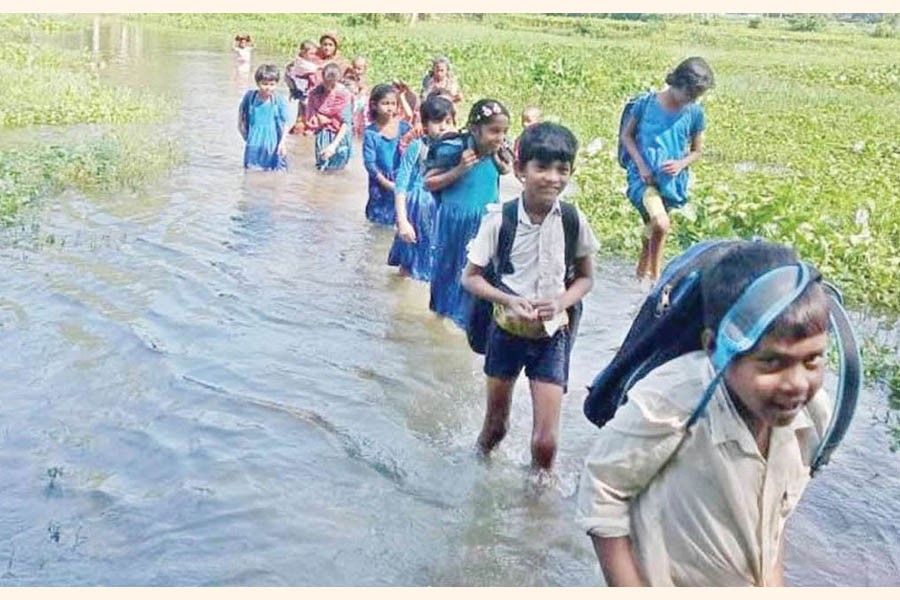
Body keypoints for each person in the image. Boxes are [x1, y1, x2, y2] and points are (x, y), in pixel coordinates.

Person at [576, 241, 834, 586]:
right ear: (715, 347)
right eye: (772, 362)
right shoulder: (672, 401)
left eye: (812, 360)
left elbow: (773, 521)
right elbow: (601, 491)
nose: (797, 384)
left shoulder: (814, 417)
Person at [461, 122, 599, 471]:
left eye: (562, 169)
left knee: (546, 443)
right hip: (506, 332)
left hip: (553, 335)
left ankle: (535, 510)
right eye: (542, 168)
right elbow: (471, 279)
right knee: (495, 429)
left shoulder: (572, 219)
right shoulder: (500, 221)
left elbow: (585, 279)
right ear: (521, 170)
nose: (552, 178)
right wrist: (508, 300)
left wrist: (561, 303)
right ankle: (477, 475)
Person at [620, 56, 714, 285]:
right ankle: (657, 281)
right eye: (689, 95)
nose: (691, 100)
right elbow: (627, 136)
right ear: (677, 82)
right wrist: (641, 166)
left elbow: (697, 151)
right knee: (661, 224)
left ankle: (639, 280)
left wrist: (681, 164)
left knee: (651, 231)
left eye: (696, 97)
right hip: (642, 178)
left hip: (671, 182)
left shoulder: (694, 113)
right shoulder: (646, 104)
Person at [425, 98, 513, 328]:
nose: (500, 137)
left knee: (479, 275)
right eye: (494, 131)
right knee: (449, 271)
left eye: (504, 131)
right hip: (455, 223)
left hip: (486, 222)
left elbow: (508, 172)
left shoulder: (500, 151)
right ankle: (440, 325)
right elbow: (429, 183)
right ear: (474, 129)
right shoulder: (454, 149)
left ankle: (468, 325)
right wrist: (460, 169)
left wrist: (503, 165)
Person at [387, 95, 457, 280]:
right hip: (416, 211)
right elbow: (401, 185)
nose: (443, 127)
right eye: (437, 121)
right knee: (408, 265)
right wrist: (402, 221)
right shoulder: (418, 147)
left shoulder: (456, 150)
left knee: (436, 265)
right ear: (425, 125)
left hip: (441, 214)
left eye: (448, 121)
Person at [363, 83, 412, 225]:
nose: (390, 108)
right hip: (379, 182)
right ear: (374, 105)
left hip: (400, 178)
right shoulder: (371, 133)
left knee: (400, 217)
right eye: (385, 103)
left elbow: (410, 117)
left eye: (393, 104)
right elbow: (370, 164)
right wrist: (387, 183)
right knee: (378, 220)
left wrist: (402, 96)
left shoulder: (402, 127)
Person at [238, 64, 288, 171]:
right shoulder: (250, 97)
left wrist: (282, 143)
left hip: (272, 144)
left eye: (272, 84)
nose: (268, 88)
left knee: (273, 172)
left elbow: (284, 123)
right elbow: (242, 115)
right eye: (264, 84)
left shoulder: (278, 100)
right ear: (257, 83)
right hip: (254, 143)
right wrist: (243, 134)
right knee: (251, 171)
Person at [305, 62, 353, 171]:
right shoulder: (315, 93)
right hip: (323, 134)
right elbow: (310, 113)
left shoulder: (344, 95)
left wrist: (333, 146)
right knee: (321, 167)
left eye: (332, 84)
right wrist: (318, 117)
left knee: (338, 169)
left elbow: (346, 123)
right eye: (326, 83)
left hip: (340, 136)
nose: (329, 88)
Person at [285, 40, 322, 135]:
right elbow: (316, 68)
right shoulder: (302, 64)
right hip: (303, 93)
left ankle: (301, 132)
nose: (313, 56)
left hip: (300, 93)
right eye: (311, 54)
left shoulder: (297, 62)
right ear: (302, 52)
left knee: (302, 115)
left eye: (315, 54)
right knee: (304, 116)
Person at [342, 56, 370, 137]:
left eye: (359, 69)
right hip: (349, 101)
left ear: (364, 70)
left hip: (359, 102)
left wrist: (358, 92)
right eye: (354, 67)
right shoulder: (348, 77)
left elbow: (363, 91)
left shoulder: (362, 79)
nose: (356, 71)